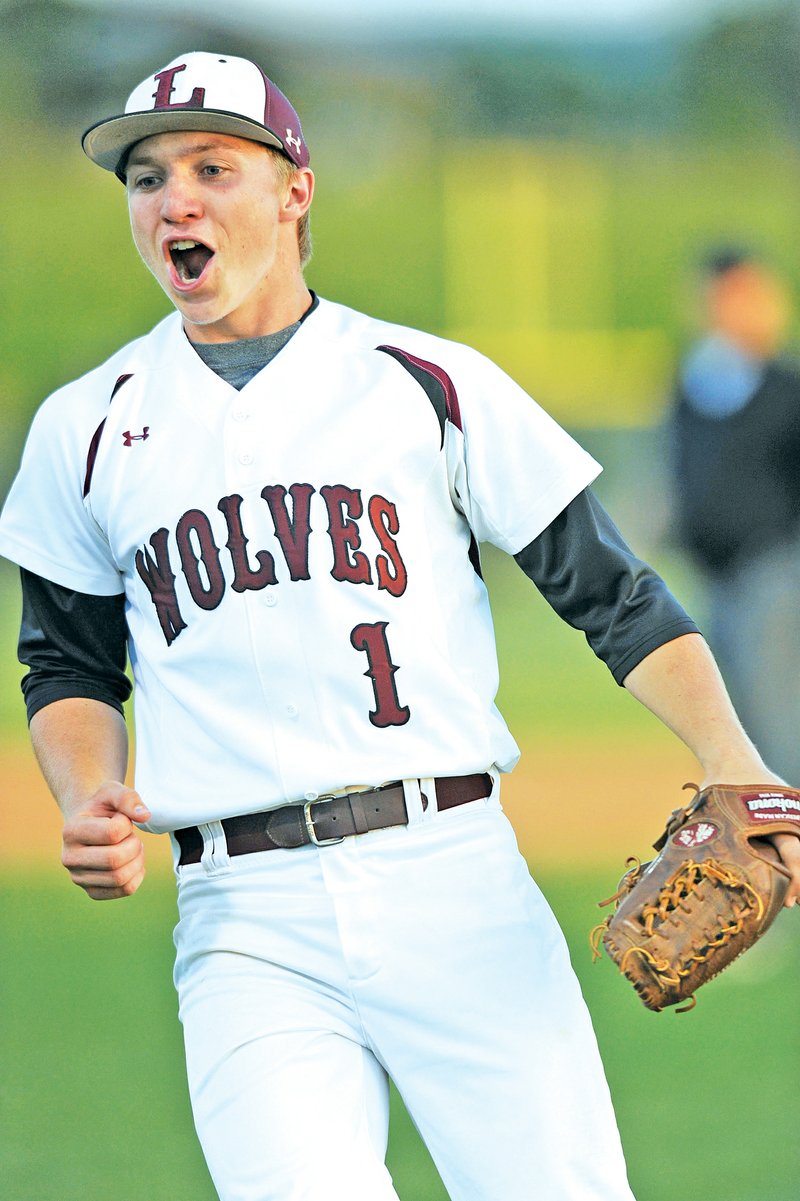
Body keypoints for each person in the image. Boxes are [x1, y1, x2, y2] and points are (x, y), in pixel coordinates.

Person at [1, 51, 798, 1201]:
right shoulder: (86, 426)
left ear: (293, 190)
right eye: (146, 177)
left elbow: (613, 596)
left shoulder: (422, 382)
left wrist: (732, 756)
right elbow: (64, 661)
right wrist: (84, 793)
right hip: (243, 920)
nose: (173, 198)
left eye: (212, 167)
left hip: (450, 878)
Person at [669, 247, 800, 783]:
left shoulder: (783, 387)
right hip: (712, 575)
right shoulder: (696, 383)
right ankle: (762, 847)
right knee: (735, 725)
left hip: (773, 571)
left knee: (778, 725)